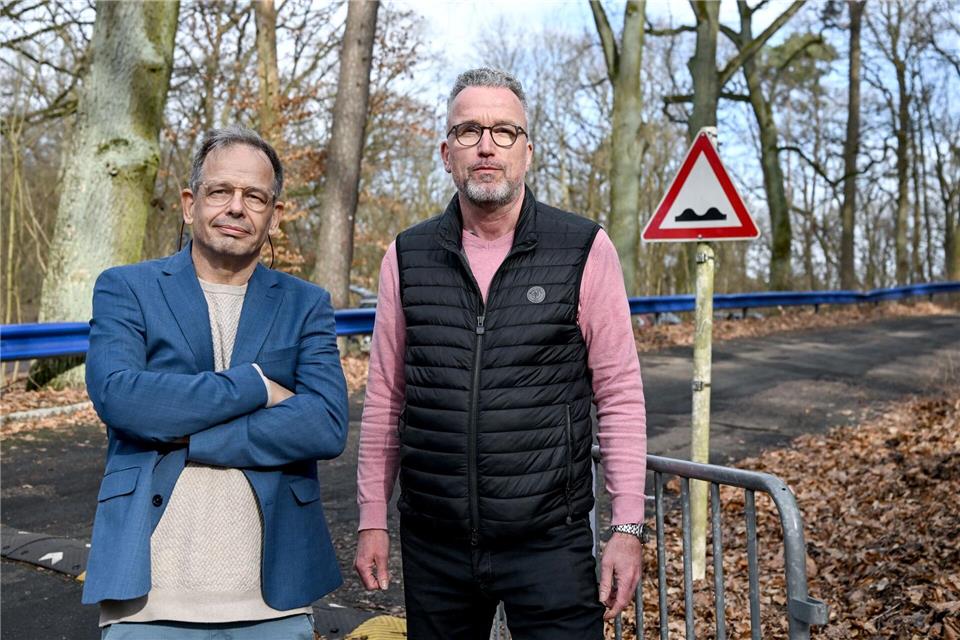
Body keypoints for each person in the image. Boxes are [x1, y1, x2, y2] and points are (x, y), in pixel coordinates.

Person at [354, 68, 647, 639]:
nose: (486, 145)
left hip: (549, 541)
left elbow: (619, 394)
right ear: (446, 152)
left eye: (504, 132)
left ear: (528, 151)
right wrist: (370, 519)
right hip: (435, 542)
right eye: (468, 131)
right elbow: (386, 397)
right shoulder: (406, 256)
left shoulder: (584, 248)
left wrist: (627, 527)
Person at [83, 126, 348, 639]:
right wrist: (258, 386)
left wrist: (187, 434)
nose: (236, 207)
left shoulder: (305, 303)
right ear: (190, 203)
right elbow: (122, 397)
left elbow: (325, 425)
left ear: (275, 215)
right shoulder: (126, 288)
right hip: (149, 598)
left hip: (274, 600)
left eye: (255, 197)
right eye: (220, 191)